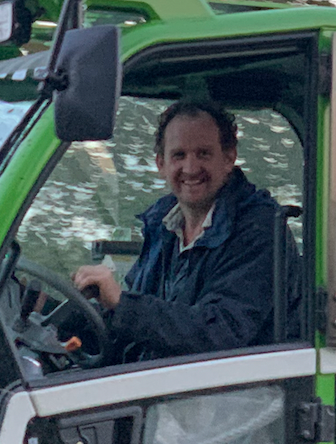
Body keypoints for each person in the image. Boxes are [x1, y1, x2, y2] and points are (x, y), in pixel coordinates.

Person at [71, 100, 283, 363]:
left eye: (203, 154)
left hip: (234, 393)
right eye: (179, 155)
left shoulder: (258, 228)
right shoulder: (163, 225)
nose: (191, 169)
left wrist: (122, 303)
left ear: (229, 158)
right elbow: (140, 322)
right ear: (161, 164)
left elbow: (221, 331)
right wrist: (62, 311)